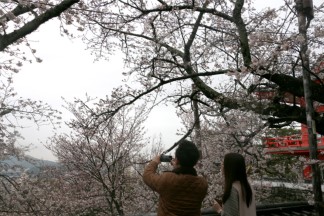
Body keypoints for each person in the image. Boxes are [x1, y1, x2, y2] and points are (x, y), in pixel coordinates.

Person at [143, 139, 208, 216]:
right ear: (195, 161)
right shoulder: (202, 184)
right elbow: (187, 178)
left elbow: (147, 175)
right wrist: (177, 167)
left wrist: (154, 162)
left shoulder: (167, 180)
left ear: (177, 160)